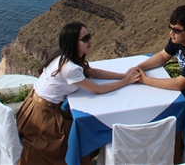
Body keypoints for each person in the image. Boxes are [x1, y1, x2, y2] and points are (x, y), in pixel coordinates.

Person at [16, 22, 140, 164]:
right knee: (83, 135)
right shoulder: (69, 68)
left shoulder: (63, 57)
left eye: (89, 37)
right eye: (85, 39)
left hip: (34, 107)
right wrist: (126, 81)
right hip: (44, 117)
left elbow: (90, 71)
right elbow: (97, 89)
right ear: (73, 43)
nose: (90, 41)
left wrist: (122, 76)